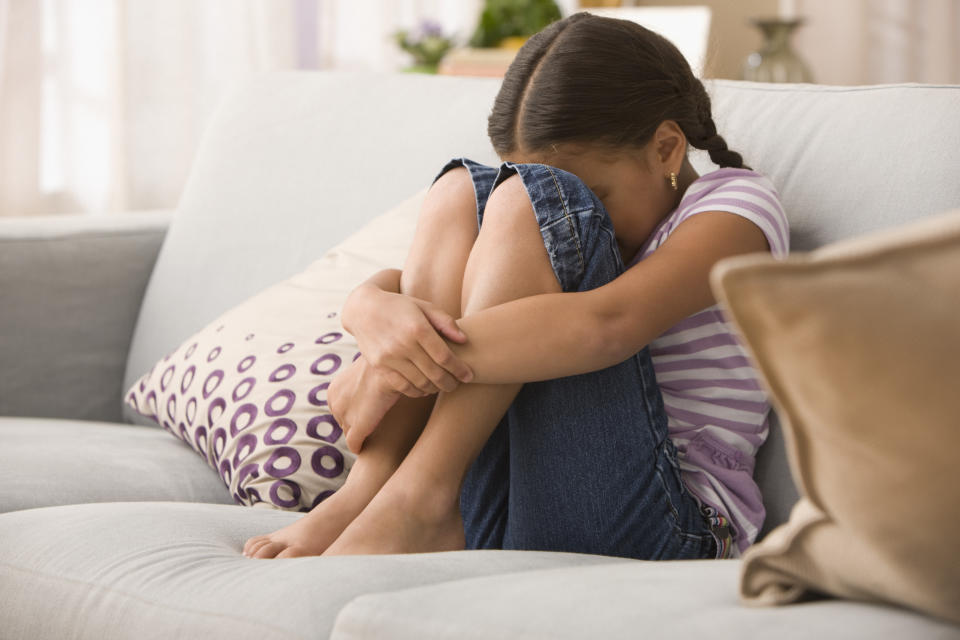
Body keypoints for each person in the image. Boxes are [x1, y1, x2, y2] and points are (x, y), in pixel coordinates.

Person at [243, 12, 788, 561]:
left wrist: (392, 362)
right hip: (521, 496)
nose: (581, 214)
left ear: (667, 149)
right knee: (462, 191)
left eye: (595, 194)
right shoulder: (584, 234)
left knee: (529, 198)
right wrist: (367, 310)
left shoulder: (735, 210)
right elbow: (423, 284)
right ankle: (371, 491)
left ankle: (419, 499)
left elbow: (607, 326)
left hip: (668, 520)